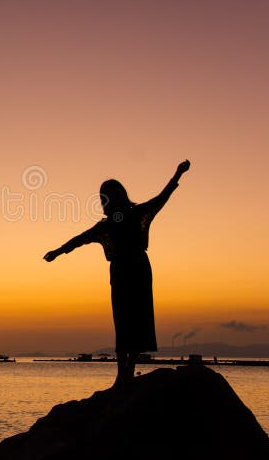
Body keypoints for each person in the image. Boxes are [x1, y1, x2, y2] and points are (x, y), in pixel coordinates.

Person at [43, 160, 191, 386]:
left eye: (108, 196)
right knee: (122, 321)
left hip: (138, 269)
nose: (106, 201)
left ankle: (129, 370)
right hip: (121, 272)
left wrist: (177, 174)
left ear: (118, 196)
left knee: (137, 319)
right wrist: (58, 251)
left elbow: (161, 198)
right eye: (104, 197)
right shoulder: (106, 225)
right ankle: (122, 373)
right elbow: (80, 239)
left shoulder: (136, 213)